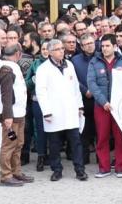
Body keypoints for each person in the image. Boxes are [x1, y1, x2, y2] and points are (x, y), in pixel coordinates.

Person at [35, 39, 87, 182]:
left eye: (62, 48)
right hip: (54, 111)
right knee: (54, 144)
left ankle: (80, 170)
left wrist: (80, 106)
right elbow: (41, 92)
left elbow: (76, 87)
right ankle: (56, 170)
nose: (61, 51)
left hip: (71, 110)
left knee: (76, 142)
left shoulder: (69, 65)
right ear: (50, 52)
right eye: (58, 49)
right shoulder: (43, 69)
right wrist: (46, 111)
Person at [87, 34, 122, 178]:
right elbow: (92, 84)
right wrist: (103, 101)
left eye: (107, 46)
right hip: (101, 106)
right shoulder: (94, 62)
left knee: (120, 138)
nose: (104, 48)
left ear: (114, 46)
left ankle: (120, 167)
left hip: (119, 107)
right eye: (103, 46)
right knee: (102, 137)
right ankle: (104, 168)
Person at [0, 44, 34, 187]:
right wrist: (7, 116)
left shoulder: (11, 66)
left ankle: (16, 172)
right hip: (11, 115)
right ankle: (6, 175)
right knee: (8, 145)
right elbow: (6, 95)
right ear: (18, 54)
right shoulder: (6, 69)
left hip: (18, 113)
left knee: (18, 144)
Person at [71, 34, 97, 166]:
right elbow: (73, 79)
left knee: (99, 130)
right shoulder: (75, 60)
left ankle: (100, 157)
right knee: (84, 130)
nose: (90, 46)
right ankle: (84, 157)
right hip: (83, 99)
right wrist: (84, 90)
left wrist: (95, 90)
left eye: (92, 43)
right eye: (87, 44)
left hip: (98, 99)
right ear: (81, 46)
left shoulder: (100, 57)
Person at [26, 40, 50, 173]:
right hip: (37, 101)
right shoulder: (35, 64)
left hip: (53, 101)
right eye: (43, 49)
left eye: (48, 48)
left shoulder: (57, 64)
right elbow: (27, 83)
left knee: (53, 129)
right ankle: (41, 156)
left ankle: (52, 155)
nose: (45, 51)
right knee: (39, 129)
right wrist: (33, 80)